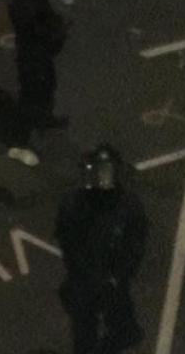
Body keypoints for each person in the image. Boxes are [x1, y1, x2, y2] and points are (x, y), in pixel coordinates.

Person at [55, 145, 149, 354]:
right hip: (87, 274)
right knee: (86, 318)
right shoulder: (75, 204)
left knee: (110, 309)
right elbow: (67, 240)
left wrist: (118, 274)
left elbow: (134, 244)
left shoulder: (127, 206)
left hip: (109, 274)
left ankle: (124, 334)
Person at [8, 0, 69, 166]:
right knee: (31, 96)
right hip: (33, 56)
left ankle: (44, 120)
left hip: (37, 55)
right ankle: (19, 140)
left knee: (47, 87)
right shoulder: (28, 3)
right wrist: (60, 29)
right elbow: (41, 31)